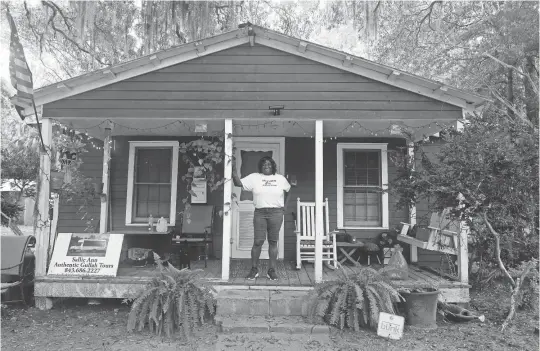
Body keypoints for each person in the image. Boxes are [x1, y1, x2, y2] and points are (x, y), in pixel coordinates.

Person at [231, 155, 293, 281]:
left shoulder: (280, 178)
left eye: (269, 164)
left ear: (273, 166)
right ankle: (254, 270)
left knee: (273, 242)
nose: (267, 166)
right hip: (260, 213)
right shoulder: (255, 177)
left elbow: (289, 190)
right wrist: (233, 170)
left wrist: (284, 207)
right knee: (258, 241)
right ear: (261, 166)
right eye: (264, 164)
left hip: (276, 213)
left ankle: (272, 270)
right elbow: (238, 183)